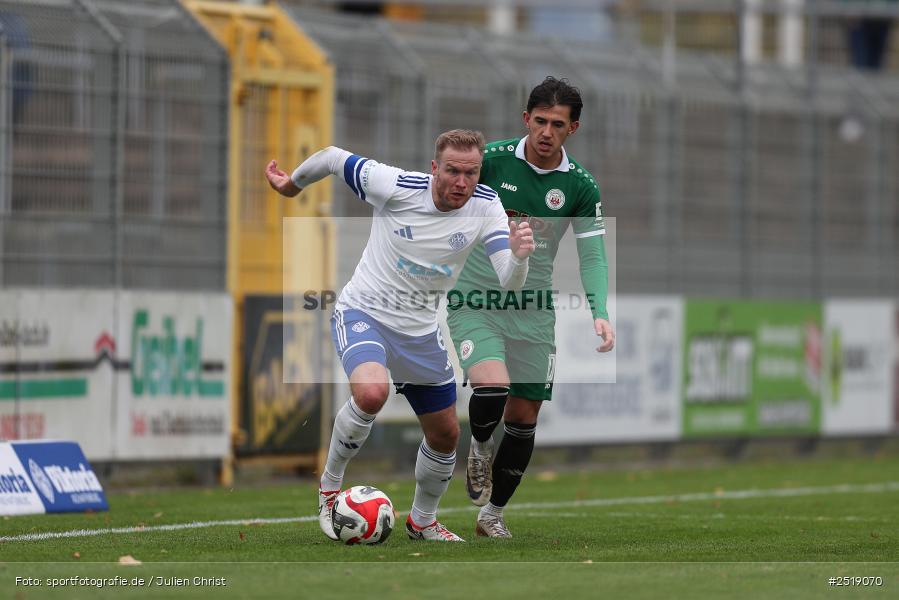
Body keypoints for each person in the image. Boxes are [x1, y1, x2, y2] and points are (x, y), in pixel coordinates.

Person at [265, 129, 534, 542]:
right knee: (372, 392)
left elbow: (510, 280)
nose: (461, 182)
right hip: (364, 312)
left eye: (471, 173)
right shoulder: (394, 186)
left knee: (446, 435)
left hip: (421, 331)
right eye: (452, 171)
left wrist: (518, 258)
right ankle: (329, 488)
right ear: (434, 169)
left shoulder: (487, 206)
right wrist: (291, 185)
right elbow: (335, 157)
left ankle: (422, 521)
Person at [446, 77, 615, 538]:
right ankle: (480, 446)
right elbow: (446, 196)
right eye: (539, 120)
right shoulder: (493, 162)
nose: (545, 131)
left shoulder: (580, 187)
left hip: (535, 309)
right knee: (493, 387)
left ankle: (492, 515)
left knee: (524, 417)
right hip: (476, 300)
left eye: (556, 124)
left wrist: (599, 309)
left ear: (572, 128)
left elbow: (593, 254)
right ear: (526, 119)